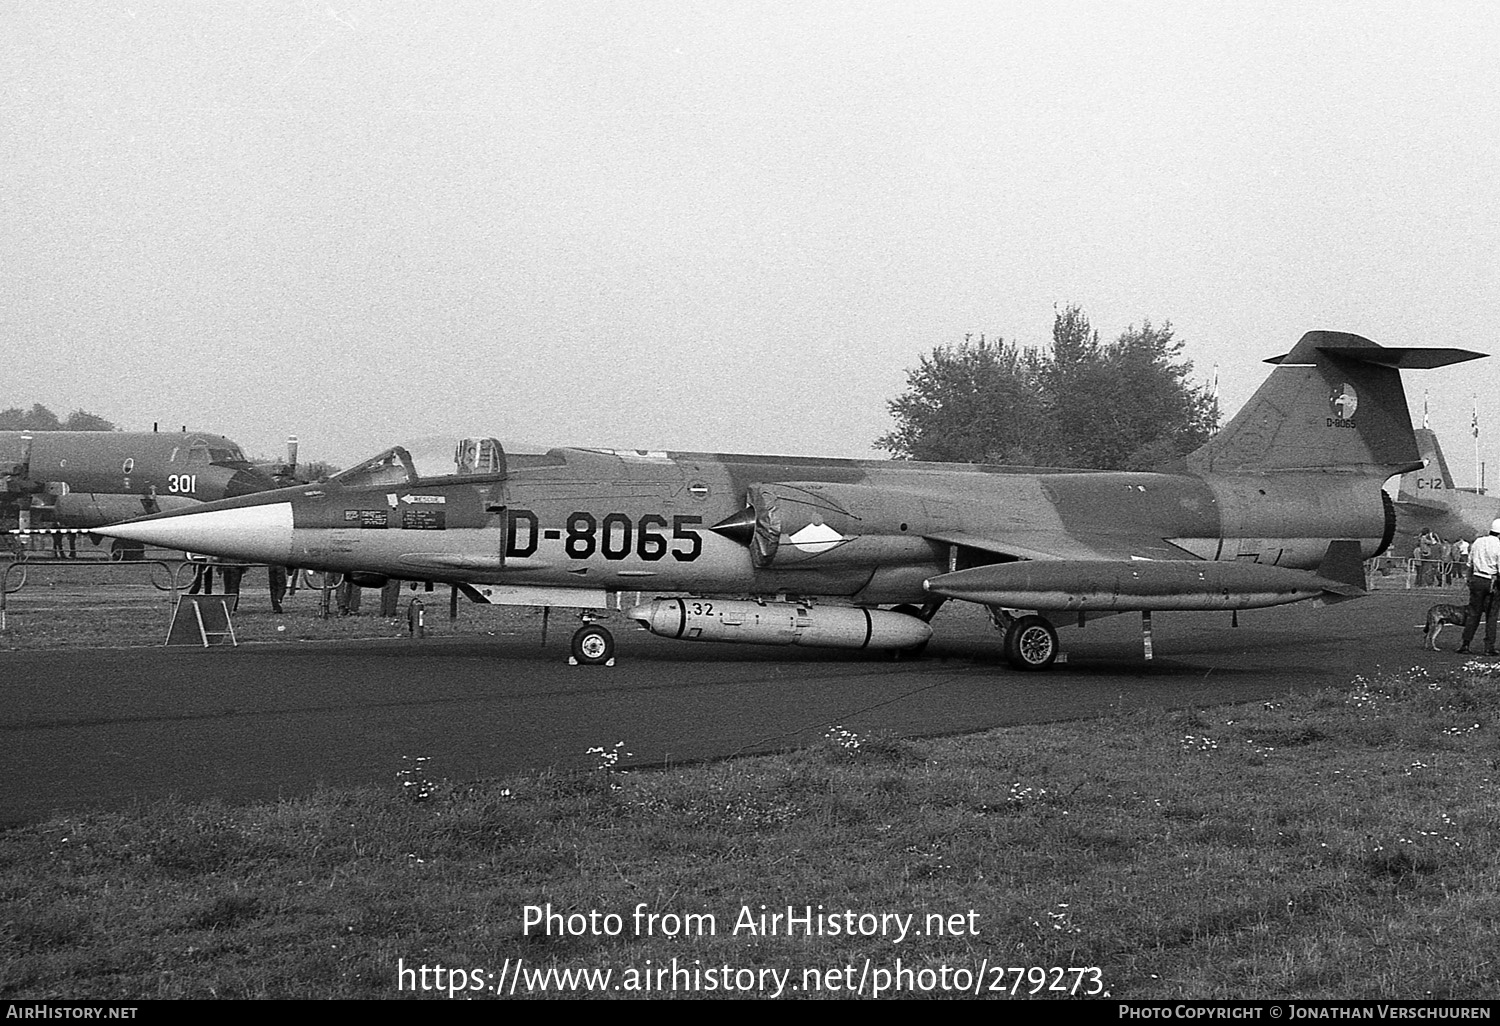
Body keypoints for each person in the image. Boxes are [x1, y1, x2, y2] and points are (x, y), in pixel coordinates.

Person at [1459, 519, 1500, 656]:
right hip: (1492, 580)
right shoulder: (1499, 545)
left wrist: (1469, 579)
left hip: (1476, 579)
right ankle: (1489, 647)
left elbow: (1469, 563)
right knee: (1492, 615)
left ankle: (1465, 644)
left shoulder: (1478, 541)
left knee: (1473, 612)